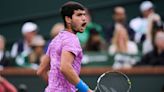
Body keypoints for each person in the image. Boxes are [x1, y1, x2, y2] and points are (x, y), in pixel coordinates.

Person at [37, 1, 92, 92]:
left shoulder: (56, 40)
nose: (84, 19)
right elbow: (65, 68)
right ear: (68, 19)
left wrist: (55, 86)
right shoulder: (72, 40)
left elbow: (41, 70)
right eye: (79, 15)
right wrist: (86, 90)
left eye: (84, 15)